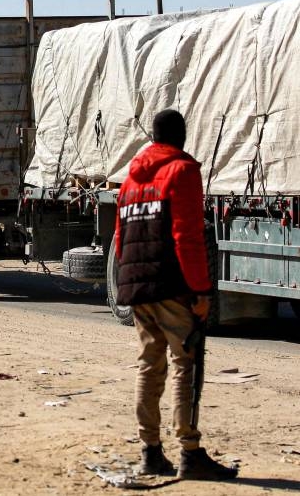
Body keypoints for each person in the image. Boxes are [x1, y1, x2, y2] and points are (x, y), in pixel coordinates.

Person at [115, 109, 238, 481]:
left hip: (138, 286)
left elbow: (121, 239)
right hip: (172, 286)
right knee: (186, 364)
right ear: (182, 137)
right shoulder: (182, 171)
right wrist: (201, 291)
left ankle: (150, 452)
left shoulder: (130, 181)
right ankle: (190, 452)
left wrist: (129, 283)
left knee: (149, 366)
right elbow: (188, 237)